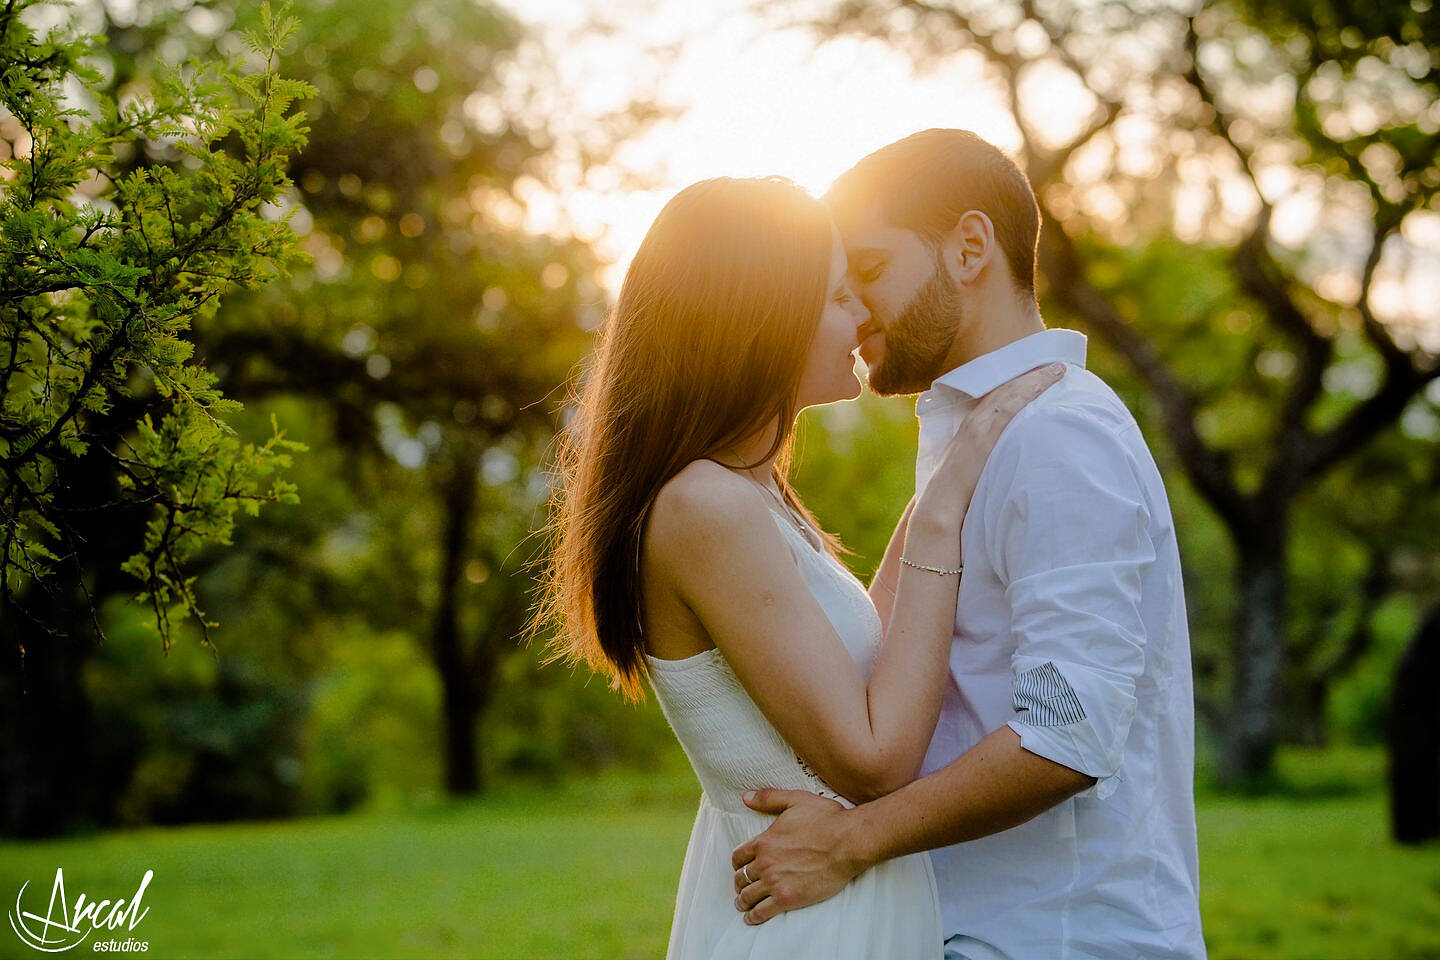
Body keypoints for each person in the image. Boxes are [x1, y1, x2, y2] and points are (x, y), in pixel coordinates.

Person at [531, 174, 1062, 959]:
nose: (862, 316)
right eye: (837, 297)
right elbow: (877, 761)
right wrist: (944, 514)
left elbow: (869, 661)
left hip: (835, 898)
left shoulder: (746, 493)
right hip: (808, 920)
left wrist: (939, 484)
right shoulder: (704, 507)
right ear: (759, 319)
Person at [728, 129, 1207, 959]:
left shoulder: (1061, 437)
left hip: (1057, 937)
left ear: (970, 246)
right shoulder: (979, 435)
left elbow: (1067, 735)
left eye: (871, 270)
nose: (852, 307)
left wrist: (852, 840)